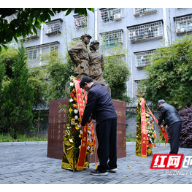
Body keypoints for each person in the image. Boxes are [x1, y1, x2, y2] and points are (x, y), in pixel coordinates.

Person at [79, 76, 117, 176]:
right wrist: (92, 116)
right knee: (111, 142)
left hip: (104, 119)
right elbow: (100, 104)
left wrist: (83, 123)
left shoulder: (92, 91)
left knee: (103, 143)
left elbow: (89, 108)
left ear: (86, 83)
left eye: (84, 88)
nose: (85, 90)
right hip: (112, 117)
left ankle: (102, 169)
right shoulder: (101, 88)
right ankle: (112, 165)